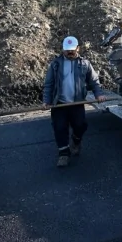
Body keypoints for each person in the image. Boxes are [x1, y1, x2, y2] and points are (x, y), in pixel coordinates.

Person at [42, 36, 107, 167]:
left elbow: (94, 81)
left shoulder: (85, 64)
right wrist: (46, 100)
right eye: (67, 50)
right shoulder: (55, 64)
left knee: (80, 125)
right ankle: (64, 154)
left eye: (72, 50)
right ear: (63, 50)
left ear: (78, 48)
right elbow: (49, 84)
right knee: (59, 128)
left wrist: (98, 94)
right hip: (59, 103)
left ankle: (76, 140)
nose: (69, 52)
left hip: (77, 103)